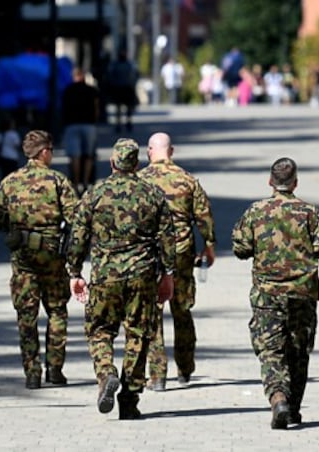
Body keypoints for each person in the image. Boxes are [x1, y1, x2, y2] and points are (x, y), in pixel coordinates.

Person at [65, 138, 176, 420]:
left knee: (99, 330)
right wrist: (168, 274)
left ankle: (106, 373)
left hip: (105, 275)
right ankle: (129, 400)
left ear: (113, 163)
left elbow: (77, 237)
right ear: (137, 165)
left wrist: (75, 273)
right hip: (142, 275)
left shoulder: (95, 193)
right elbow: (167, 238)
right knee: (138, 334)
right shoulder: (152, 193)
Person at [231, 157, 319, 430]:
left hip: (267, 292)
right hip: (302, 292)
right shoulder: (309, 211)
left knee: (271, 349)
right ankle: (293, 407)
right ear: (295, 182)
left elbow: (240, 248)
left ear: (270, 182)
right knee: (298, 350)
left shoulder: (256, 211)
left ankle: (278, 398)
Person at [0, 130, 79, 390]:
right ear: (43, 152)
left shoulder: (9, 182)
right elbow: (76, 218)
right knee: (57, 311)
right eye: (51, 149)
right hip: (52, 257)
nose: (52, 154)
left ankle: (32, 372)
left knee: (26, 316)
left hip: (23, 259)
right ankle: (55, 369)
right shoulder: (57, 181)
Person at [139, 132, 216, 392]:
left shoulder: (139, 180)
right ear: (171, 151)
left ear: (150, 151)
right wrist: (209, 245)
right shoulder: (187, 180)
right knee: (182, 309)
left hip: (151, 252)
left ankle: (157, 375)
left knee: (153, 312)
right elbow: (204, 216)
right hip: (182, 251)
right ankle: (185, 368)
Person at [61, 67, 100, 193]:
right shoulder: (91, 90)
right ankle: (85, 182)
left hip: (72, 125)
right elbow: (96, 107)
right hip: (88, 125)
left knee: (75, 156)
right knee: (89, 155)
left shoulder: (68, 90)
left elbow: (63, 108)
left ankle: (76, 183)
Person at [106, 50, 139, 132]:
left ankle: (123, 123)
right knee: (123, 107)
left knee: (122, 107)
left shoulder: (121, 65)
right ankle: (123, 123)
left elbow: (110, 76)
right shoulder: (127, 65)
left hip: (122, 88)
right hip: (123, 88)